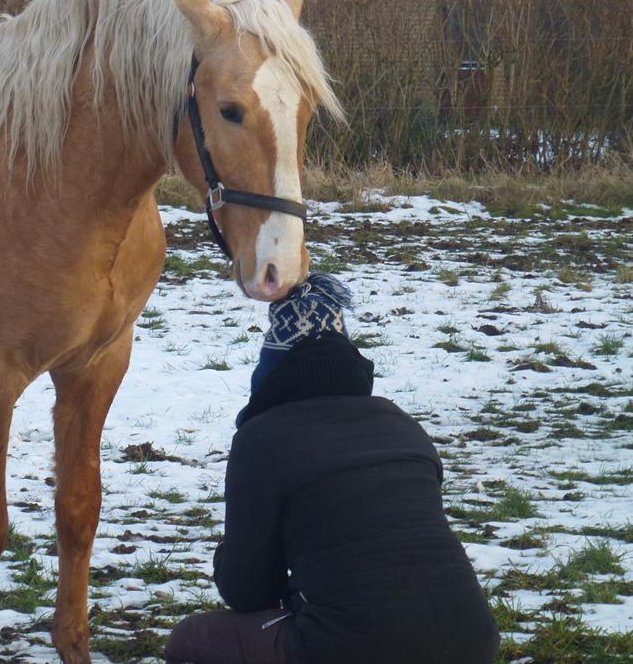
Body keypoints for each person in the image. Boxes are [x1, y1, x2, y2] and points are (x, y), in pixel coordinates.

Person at [165, 273, 499, 664]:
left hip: (349, 647)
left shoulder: (262, 437)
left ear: (272, 370)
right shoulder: (402, 422)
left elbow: (248, 591)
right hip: (472, 640)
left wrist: (233, 549)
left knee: (190, 641)